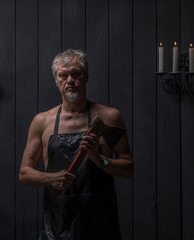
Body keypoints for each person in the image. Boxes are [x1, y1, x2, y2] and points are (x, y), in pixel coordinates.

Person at [19, 49, 134, 240]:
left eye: (76, 74)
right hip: (57, 226)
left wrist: (101, 160)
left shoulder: (109, 116)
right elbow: (24, 173)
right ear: (56, 81)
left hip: (101, 226)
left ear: (86, 77)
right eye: (63, 75)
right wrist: (50, 179)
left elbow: (129, 169)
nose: (70, 80)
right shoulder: (42, 122)